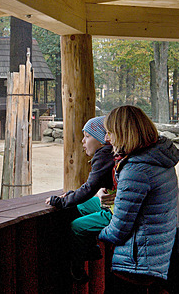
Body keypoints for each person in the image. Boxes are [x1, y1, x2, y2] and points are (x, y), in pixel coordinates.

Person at [99, 105, 179, 293]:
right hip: (156, 259)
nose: (106, 139)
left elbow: (118, 231)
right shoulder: (159, 159)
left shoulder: (136, 170)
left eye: (110, 132)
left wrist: (96, 233)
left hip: (135, 264)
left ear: (123, 133)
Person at [45, 116, 115, 283]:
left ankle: (77, 268)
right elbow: (90, 189)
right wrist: (71, 195)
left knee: (76, 226)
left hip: (114, 210)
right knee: (82, 206)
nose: (83, 141)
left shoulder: (104, 155)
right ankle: (90, 248)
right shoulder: (108, 154)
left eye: (87, 136)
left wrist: (62, 201)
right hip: (110, 202)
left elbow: (89, 188)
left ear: (101, 138)